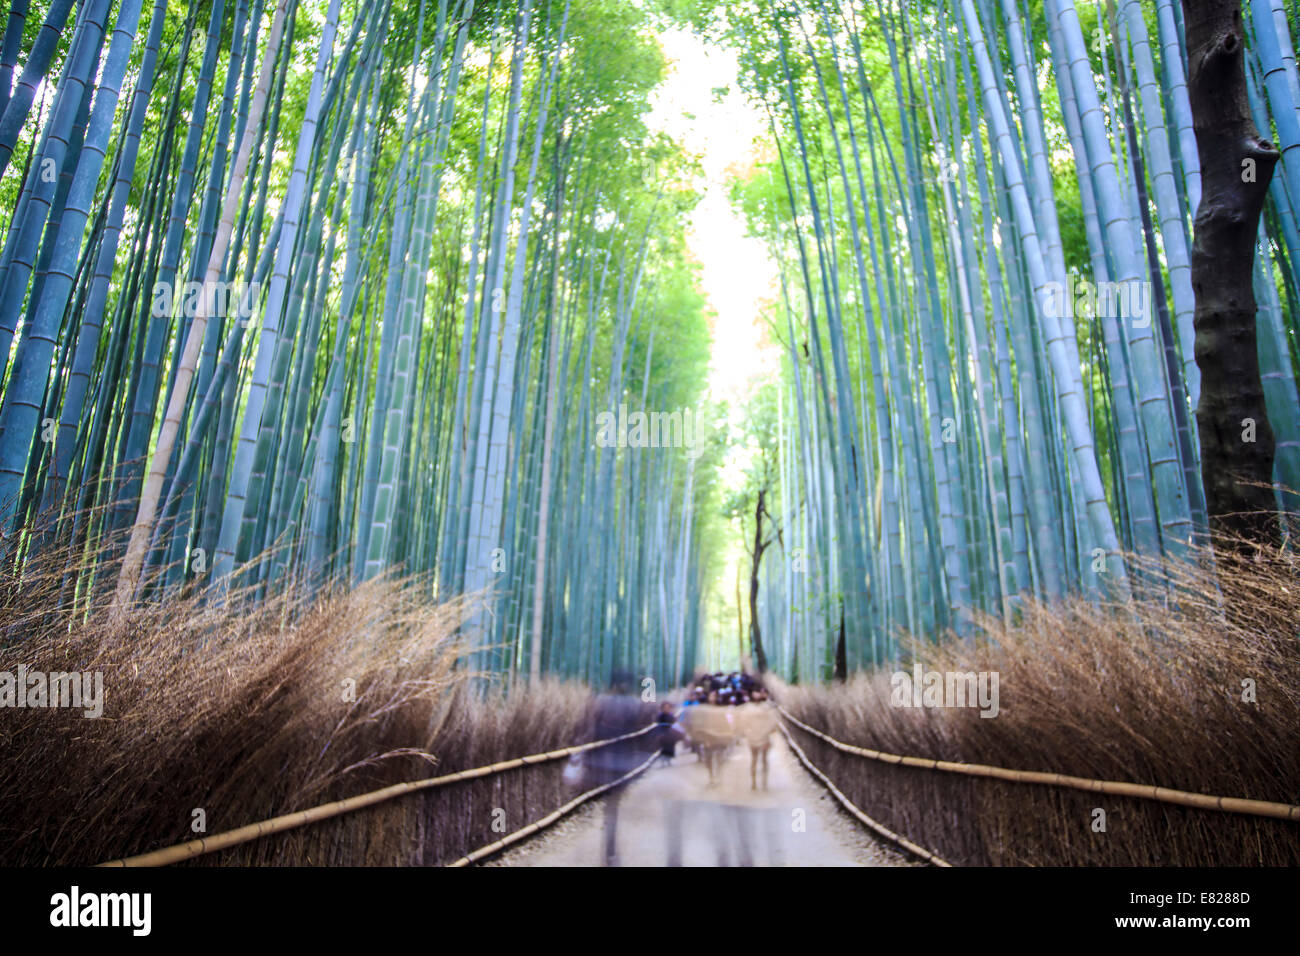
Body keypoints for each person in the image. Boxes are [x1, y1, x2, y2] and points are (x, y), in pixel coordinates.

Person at [585, 669, 643, 866]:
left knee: (611, 805)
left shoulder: (601, 701)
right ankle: (610, 847)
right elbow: (637, 734)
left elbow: (591, 730)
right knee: (613, 804)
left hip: (603, 761)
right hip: (620, 762)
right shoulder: (633, 704)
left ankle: (609, 845)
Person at [654, 701, 680, 765]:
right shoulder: (660, 716)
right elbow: (657, 723)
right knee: (662, 747)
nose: (666, 709)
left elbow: (674, 723)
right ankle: (663, 761)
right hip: (662, 733)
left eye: (668, 707)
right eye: (665, 707)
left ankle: (669, 760)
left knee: (670, 747)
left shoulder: (671, 716)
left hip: (670, 734)